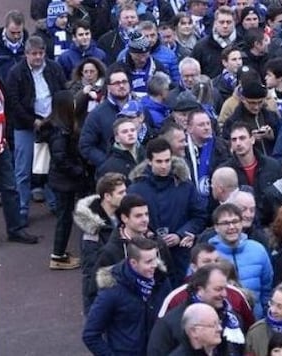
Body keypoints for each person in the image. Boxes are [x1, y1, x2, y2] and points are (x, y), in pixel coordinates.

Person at [128, 137, 206, 285]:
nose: (164, 166)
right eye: (159, 161)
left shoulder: (185, 185)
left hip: (181, 255)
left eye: (167, 160)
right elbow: (128, 222)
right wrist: (150, 236)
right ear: (149, 161)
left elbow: (199, 216)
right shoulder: (136, 189)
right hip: (149, 256)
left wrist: (180, 234)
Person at [5, 35, 66, 224]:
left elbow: (62, 92)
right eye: (34, 54)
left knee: (49, 166)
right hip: (25, 127)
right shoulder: (16, 73)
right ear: (26, 55)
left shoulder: (54, 68)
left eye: (41, 53)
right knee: (22, 171)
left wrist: (54, 118)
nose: (38, 57)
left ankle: (54, 204)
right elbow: (13, 102)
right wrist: (33, 121)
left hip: (51, 124)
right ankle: (22, 211)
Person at [82, 237, 172, 355]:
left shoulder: (161, 280)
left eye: (155, 259)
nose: (155, 265)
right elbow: (90, 335)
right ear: (134, 263)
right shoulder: (112, 290)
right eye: (148, 261)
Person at [147, 264, 245, 356]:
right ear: (200, 290)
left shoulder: (233, 319)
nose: (224, 294)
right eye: (218, 289)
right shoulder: (170, 323)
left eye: (225, 289)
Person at [0, 74, 43, 244]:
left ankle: (15, 230)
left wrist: (5, 138)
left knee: (10, 188)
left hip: (0, 145)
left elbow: (4, 111)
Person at [43, 90, 88, 269]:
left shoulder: (58, 127)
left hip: (61, 180)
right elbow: (61, 159)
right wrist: (78, 171)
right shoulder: (60, 132)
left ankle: (60, 253)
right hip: (64, 181)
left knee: (65, 217)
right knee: (64, 218)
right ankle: (58, 256)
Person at [74, 173, 127, 314]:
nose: (125, 195)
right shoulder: (92, 229)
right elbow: (90, 271)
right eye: (121, 193)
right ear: (108, 197)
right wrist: (91, 309)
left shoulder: (120, 215)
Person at [208, 203, 273, 319]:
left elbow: (267, 288)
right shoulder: (208, 255)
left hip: (256, 321)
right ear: (216, 227)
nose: (232, 227)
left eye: (235, 221)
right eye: (226, 223)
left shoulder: (258, 250)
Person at [79, 65, 135, 168]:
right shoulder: (97, 114)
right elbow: (86, 146)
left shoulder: (140, 109)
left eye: (124, 82)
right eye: (117, 83)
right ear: (108, 87)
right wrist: (107, 163)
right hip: (111, 175)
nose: (122, 86)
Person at [191, 6, 238, 78]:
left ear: (234, 23)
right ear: (215, 23)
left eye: (228, 22)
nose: (225, 26)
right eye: (221, 22)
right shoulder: (201, 46)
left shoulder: (242, 43)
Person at [96, 117, 145, 182]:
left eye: (133, 130)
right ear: (117, 138)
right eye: (125, 132)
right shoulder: (108, 167)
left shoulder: (148, 155)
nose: (130, 134)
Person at [0, 10, 28, 77]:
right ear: (5, 27)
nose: (16, 36)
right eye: (12, 32)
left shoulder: (30, 45)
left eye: (19, 32)